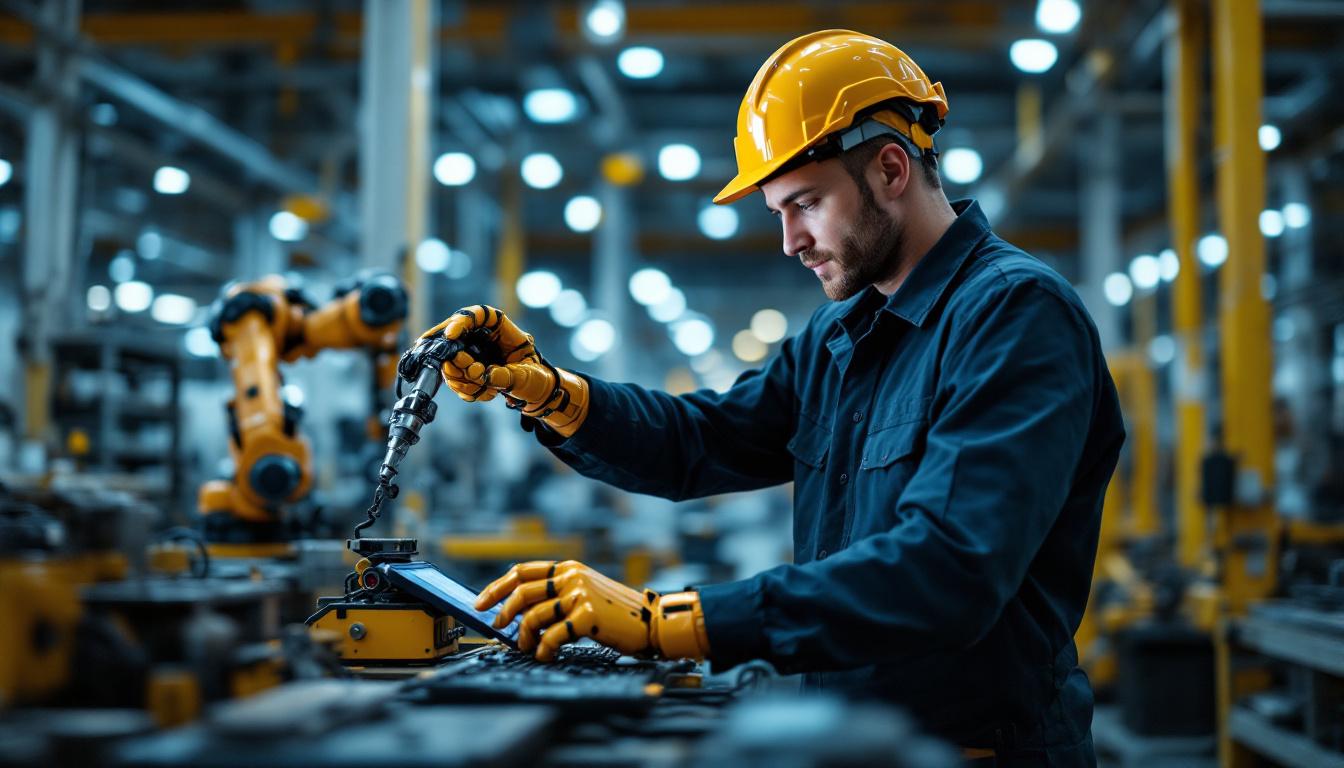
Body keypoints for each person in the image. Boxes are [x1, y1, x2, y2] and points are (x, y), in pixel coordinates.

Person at [423, 29, 1124, 766]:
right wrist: (550, 391)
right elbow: (702, 439)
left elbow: (950, 568)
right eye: (778, 212)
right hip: (853, 741)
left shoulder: (1014, 314)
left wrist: (668, 624)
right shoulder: (838, 336)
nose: (791, 241)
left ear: (891, 169)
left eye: (806, 204)